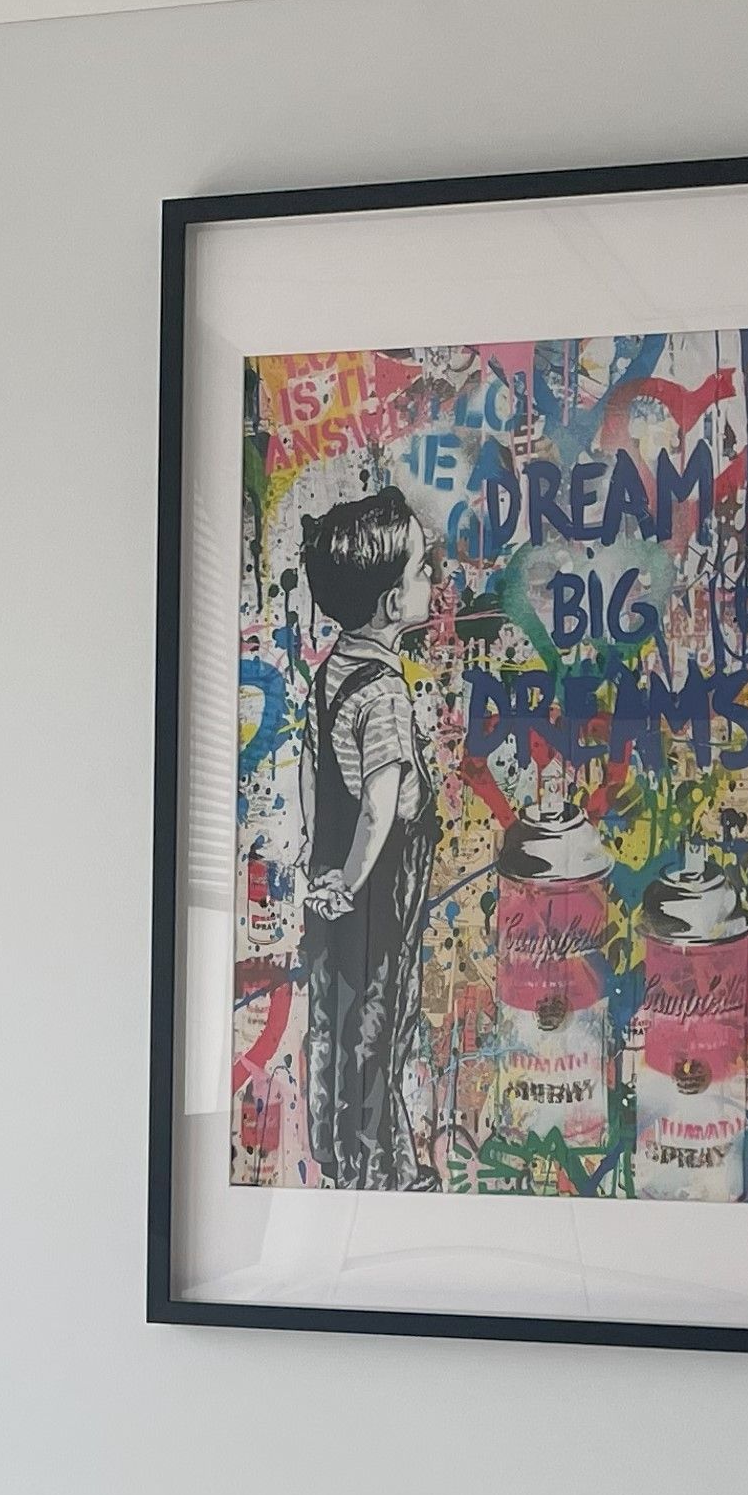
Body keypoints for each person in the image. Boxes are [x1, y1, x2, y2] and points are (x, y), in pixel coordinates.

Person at [294, 483, 436, 1191]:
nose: (432, 579)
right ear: (391, 604)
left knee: (336, 1015)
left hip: (333, 877)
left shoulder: (332, 673)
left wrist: (319, 863)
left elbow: (313, 769)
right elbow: (381, 809)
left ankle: (336, 1146)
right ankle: (376, 1167)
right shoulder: (385, 694)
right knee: (381, 1023)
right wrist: (351, 884)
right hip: (375, 891)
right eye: (421, 570)